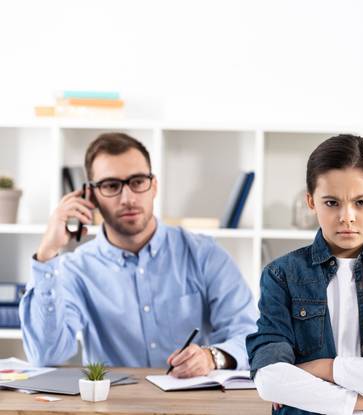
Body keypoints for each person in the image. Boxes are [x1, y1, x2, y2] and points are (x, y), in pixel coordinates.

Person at [19, 132, 258, 377]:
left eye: (137, 182)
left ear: (153, 186)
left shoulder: (204, 254)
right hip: (114, 405)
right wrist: (47, 253)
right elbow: (45, 355)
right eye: (111, 186)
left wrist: (212, 358)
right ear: (91, 196)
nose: (128, 198)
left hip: (194, 403)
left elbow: (251, 335)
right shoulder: (75, 269)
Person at [246, 135, 363, 415]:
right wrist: (355, 402)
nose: (346, 216)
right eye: (331, 203)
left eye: (361, 202)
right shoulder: (281, 276)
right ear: (311, 201)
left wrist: (321, 369)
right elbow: (270, 380)